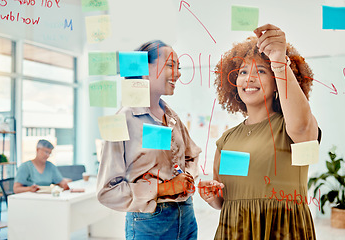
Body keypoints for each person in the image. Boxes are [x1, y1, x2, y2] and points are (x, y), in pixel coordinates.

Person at [198, 24, 321, 239]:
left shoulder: (290, 128)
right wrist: (211, 196)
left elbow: (302, 126)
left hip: (282, 230)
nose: (249, 78)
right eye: (243, 72)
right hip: (234, 230)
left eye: (261, 71)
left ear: (276, 82)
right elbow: (223, 200)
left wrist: (280, 62)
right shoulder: (226, 140)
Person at [97, 40, 201, 240]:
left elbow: (191, 155)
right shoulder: (121, 120)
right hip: (150, 223)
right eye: (170, 65)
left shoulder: (172, 116)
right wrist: (164, 188)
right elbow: (107, 191)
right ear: (144, 69)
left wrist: (186, 178)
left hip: (186, 215)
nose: (178, 73)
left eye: (178, 67)